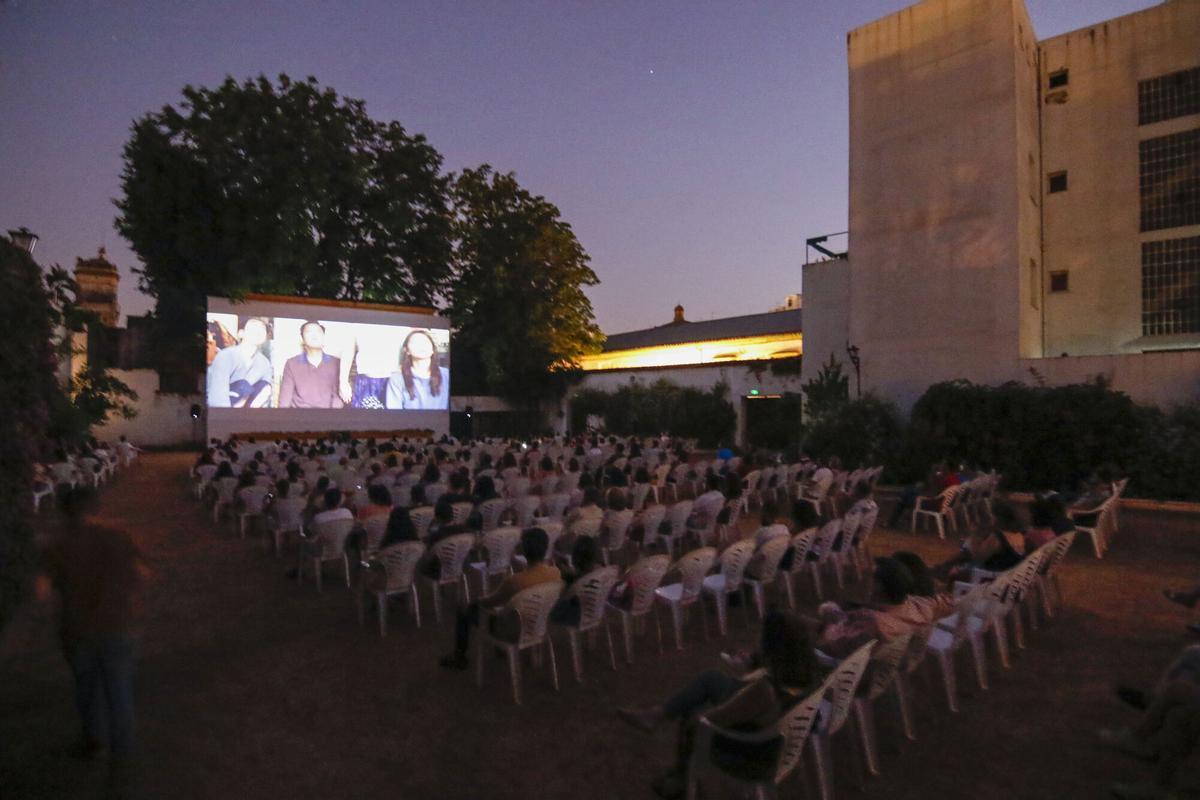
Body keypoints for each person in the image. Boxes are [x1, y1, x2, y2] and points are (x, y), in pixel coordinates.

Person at [617, 611, 820, 799]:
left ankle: (682, 780)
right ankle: (657, 716)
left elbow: (708, 721)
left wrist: (743, 678)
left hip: (750, 750)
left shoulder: (763, 690)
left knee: (693, 714)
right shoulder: (807, 673)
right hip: (770, 730)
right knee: (712, 678)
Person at [36, 488, 150, 793]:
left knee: (86, 689)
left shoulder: (56, 545)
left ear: (63, 511)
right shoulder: (118, 538)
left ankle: (93, 742)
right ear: (96, 507)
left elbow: (42, 591)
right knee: (120, 695)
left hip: (78, 630)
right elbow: (141, 575)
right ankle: (121, 766)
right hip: (118, 627)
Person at [439, 528, 562, 670]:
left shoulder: (515, 581)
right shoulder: (555, 573)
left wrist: (477, 600)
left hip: (513, 632)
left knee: (466, 610)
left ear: (523, 549)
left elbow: (489, 603)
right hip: (539, 625)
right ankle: (498, 651)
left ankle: (459, 657)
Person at [817, 557, 955, 658]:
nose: (866, 580)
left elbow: (831, 645)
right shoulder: (918, 604)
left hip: (846, 671)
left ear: (879, 587)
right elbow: (950, 602)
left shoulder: (873, 622)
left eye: (871, 577)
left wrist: (830, 616)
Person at [933, 503, 1024, 585]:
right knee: (965, 552)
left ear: (999, 518)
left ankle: (941, 570)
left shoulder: (998, 537)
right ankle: (941, 568)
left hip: (991, 577)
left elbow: (977, 556)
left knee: (964, 556)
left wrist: (973, 535)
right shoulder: (1020, 535)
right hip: (1007, 575)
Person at [206, 316, 273, 408]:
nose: (258, 331)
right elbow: (217, 396)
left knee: (265, 386)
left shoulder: (264, 363)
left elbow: (264, 392)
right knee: (243, 385)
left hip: (244, 408)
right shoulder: (226, 356)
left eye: (262, 329)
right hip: (217, 407)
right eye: (253, 327)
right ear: (241, 334)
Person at [278, 320, 343, 409]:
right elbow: (285, 399)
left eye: (318, 331)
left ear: (323, 337)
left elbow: (338, 397)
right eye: (309, 332)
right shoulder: (291, 363)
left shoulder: (336, 363)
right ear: (302, 339)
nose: (314, 335)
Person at [386, 329, 449, 410]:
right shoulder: (397, 378)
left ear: (433, 350)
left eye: (425, 342)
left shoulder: (446, 375)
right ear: (407, 351)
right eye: (416, 342)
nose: (421, 346)